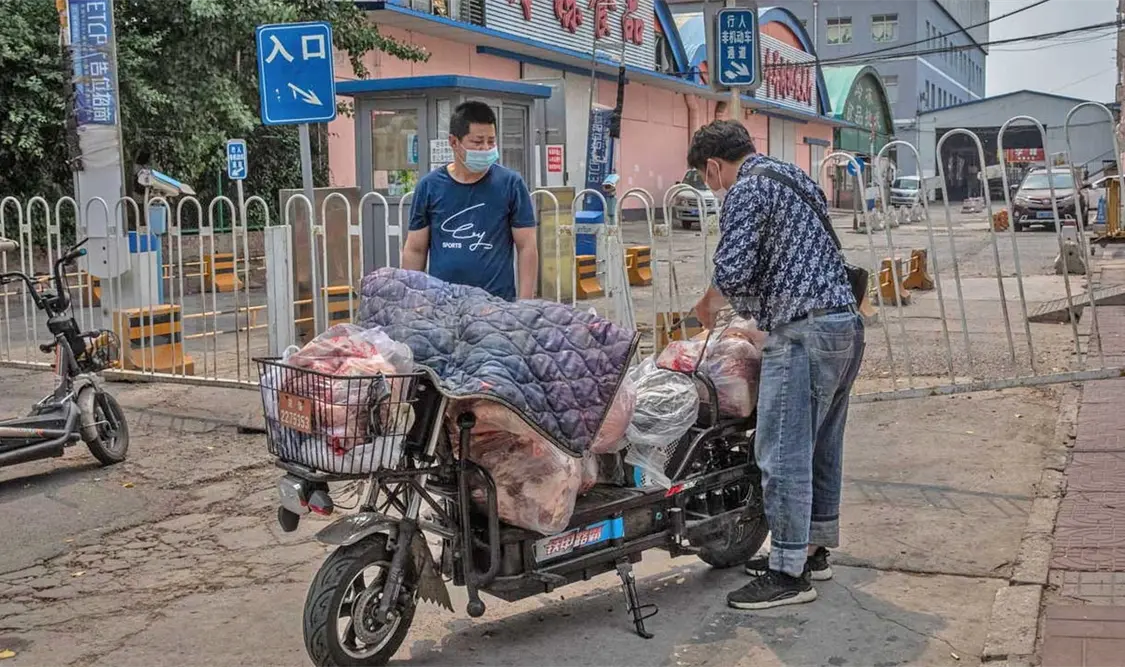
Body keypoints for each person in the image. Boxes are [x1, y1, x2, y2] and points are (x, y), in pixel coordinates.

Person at [688, 120, 866, 610]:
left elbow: (732, 272)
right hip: (843, 325)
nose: (712, 187)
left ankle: (788, 573)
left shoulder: (746, 190)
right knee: (820, 445)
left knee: (782, 452)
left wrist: (706, 307)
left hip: (804, 333)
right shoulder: (793, 175)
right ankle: (812, 550)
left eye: (705, 178)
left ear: (713, 166)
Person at [402, 101, 538, 300]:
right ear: (453, 142)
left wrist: (525, 303)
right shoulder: (430, 186)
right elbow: (415, 249)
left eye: (491, 141)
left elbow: (526, 246)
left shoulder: (510, 184)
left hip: (495, 305)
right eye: (477, 142)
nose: (486, 148)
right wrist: (411, 300)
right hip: (443, 304)